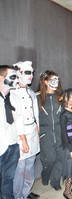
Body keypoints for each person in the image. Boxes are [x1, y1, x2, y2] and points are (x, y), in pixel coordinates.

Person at [11, 61, 40, 199]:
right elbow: (16, 119)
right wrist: (23, 140)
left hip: (33, 134)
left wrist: (38, 132)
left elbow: (36, 115)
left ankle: (26, 192)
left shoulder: (31, 92)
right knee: (20, 168)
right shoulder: (12, 93)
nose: (31, 76)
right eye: (28, 73)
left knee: (30, 166)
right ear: (19, 73)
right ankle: (18, 196)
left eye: (32, 73)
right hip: (20, 136)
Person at [37, 70, 64, 191]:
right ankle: (45, 174)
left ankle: (55, 181)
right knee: (50, 158)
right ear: (46, 82)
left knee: (60, 158)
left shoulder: (61, 97)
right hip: (45, 133)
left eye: (57, 80)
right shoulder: (38, 98)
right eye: (53, 80)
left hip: (60, 132)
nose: (56, 82)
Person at [0, 65, 19, 199]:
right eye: (13, 76)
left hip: (13, 144)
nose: (17, 80)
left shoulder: (12, 97)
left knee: (8, 181)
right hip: (1, 147)